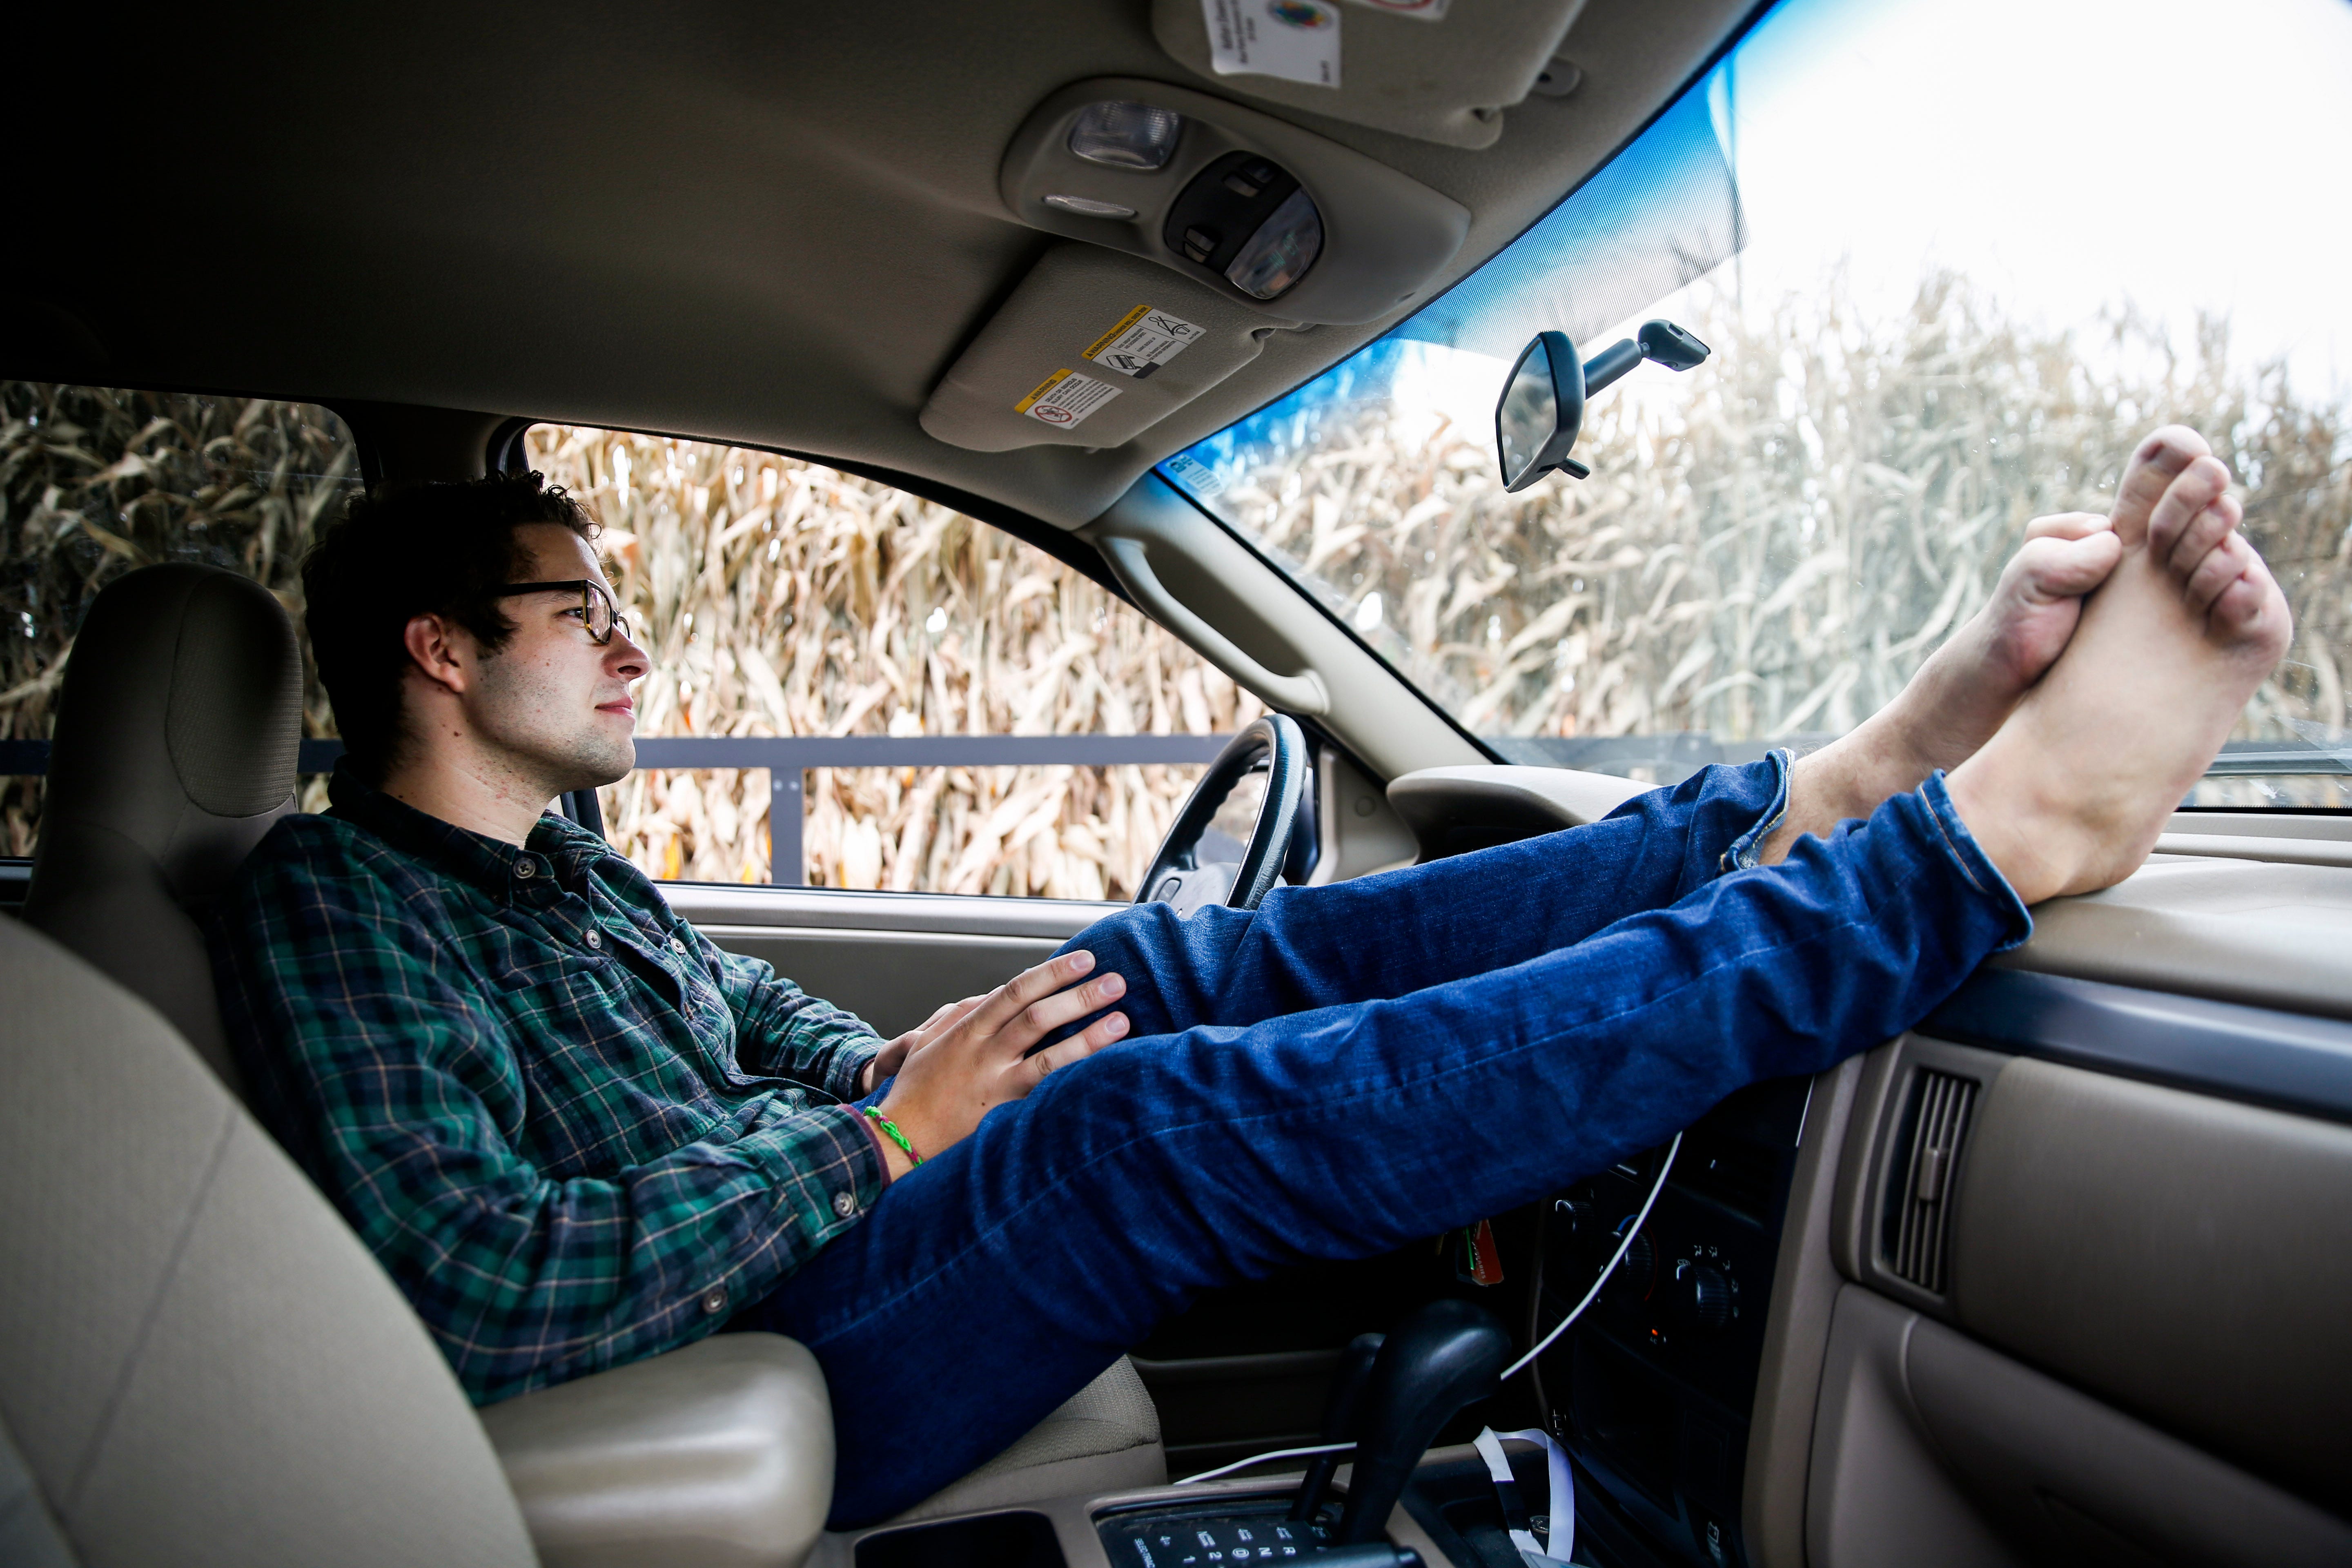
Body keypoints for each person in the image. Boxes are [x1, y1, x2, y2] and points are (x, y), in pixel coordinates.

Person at [211, 425, 2288, 1523]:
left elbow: (766, 1035)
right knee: (1137, 1127)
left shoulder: (570, 879)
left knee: (1132, 977)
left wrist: (901, 1071)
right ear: (443, 652)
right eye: (580, 608)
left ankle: (1823, 801)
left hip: (795, 1237)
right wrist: (875, 1153)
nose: (634, 644)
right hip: (716, 1339)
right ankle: (1972, 861)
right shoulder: (332, 911)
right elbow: (473, 1287)